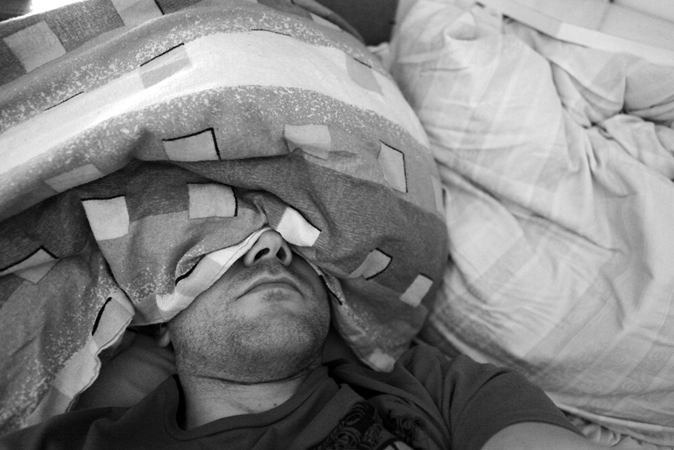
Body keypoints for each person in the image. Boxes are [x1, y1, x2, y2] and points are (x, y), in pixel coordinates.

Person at [0, 230, 604, 450]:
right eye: (222, 248)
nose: (270, 248)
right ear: (161, 321)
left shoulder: (427, 384)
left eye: (290, 240)